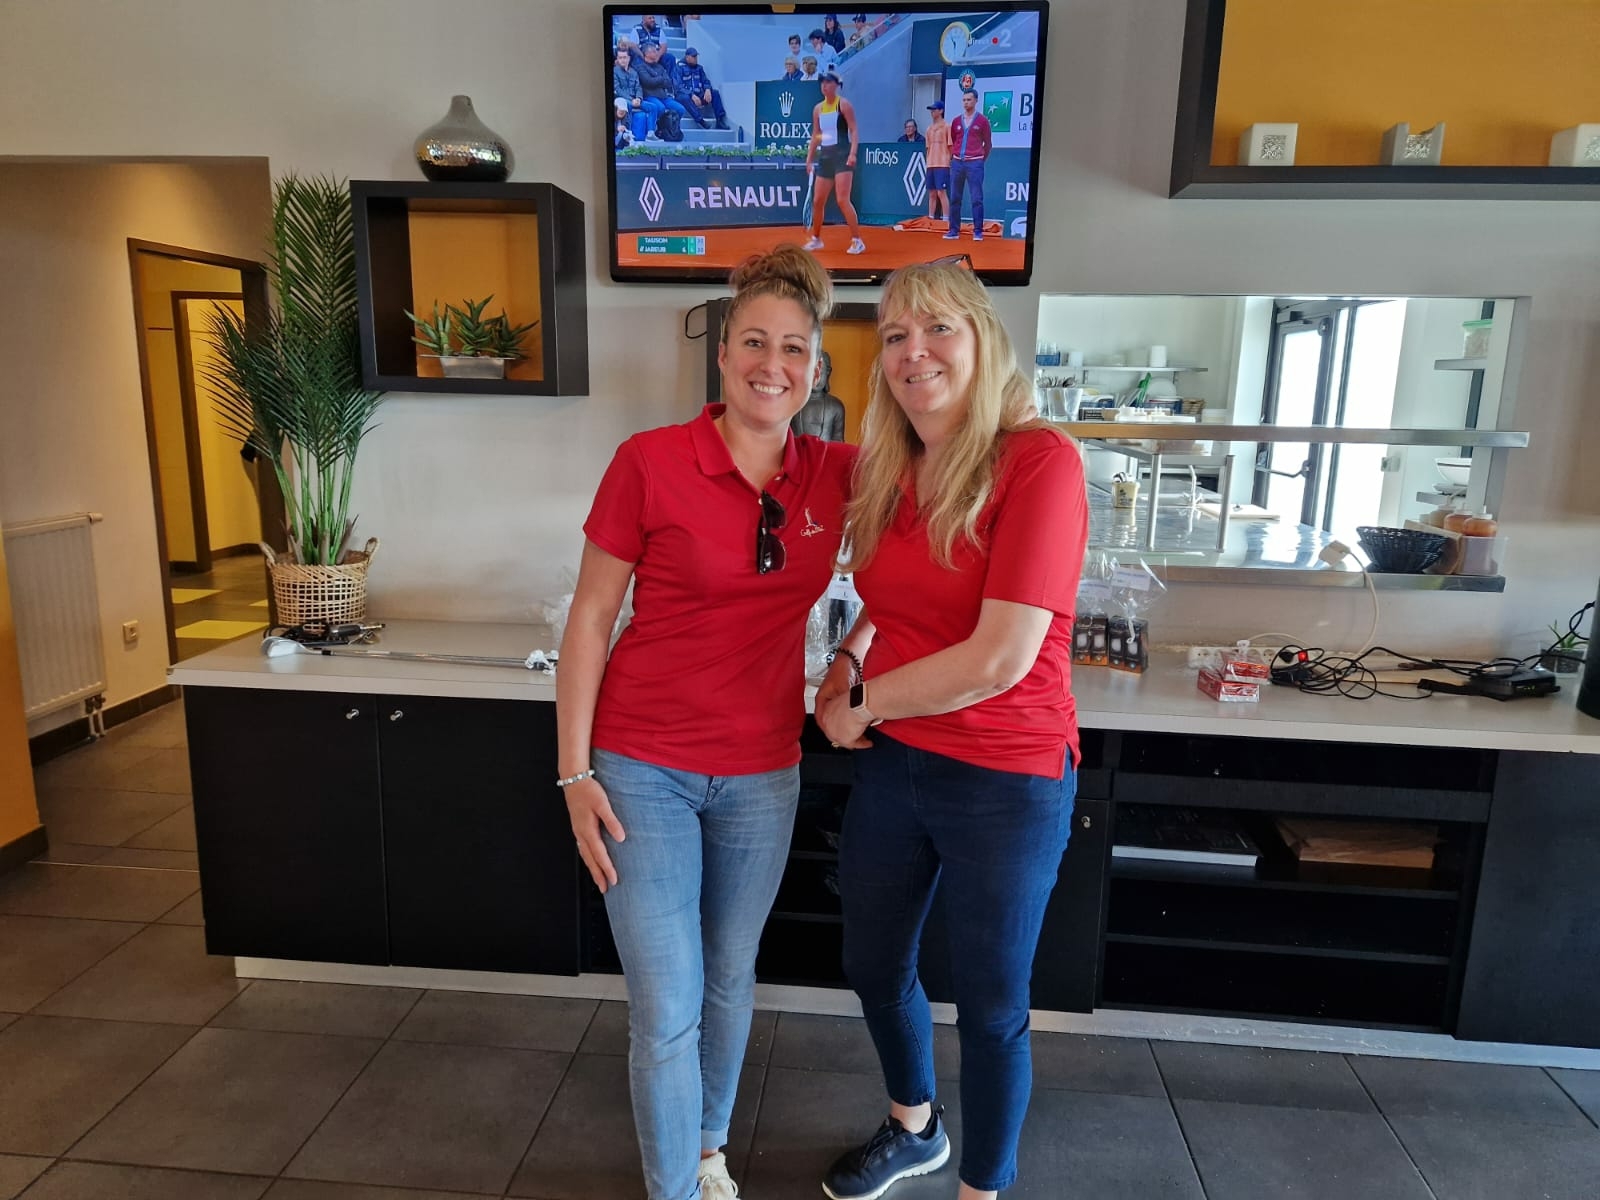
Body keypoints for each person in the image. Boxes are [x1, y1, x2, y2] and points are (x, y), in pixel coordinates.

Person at [558, 245, 855, 1200]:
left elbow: (921, 557)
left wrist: (853, 658)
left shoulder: (837, 473)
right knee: (667, 1003)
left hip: (763, 772)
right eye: (755, 342)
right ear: (723, 353)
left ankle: (706, 1150)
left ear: (816, 368)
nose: (773, 364)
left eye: (794, 348)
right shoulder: (650, 461)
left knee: (729, 977)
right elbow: (591, 619)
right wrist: (574, 774)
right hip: (640, 764)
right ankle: (675, 1191)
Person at [813, 261, 1089, 1200]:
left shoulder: (1040, 462)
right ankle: (915, 1126)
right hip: (901, 763)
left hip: (1007, 775)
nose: (913, 351)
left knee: (991, 1004)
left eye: (938, 329)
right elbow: (893, 595)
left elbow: (998, 658)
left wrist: (863, 703)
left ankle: (983, 1188)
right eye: (895, 335)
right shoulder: (895, 465)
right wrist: (847, 660)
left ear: (983, 341)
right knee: (873, 963)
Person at [804, 71, 866, 256]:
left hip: (842, 156)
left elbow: (854, 130)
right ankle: (816, 239)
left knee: (842, 199)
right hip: (825, 157)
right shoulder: (817, 109)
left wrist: (853, 153)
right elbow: (816, 135)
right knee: (817, 201)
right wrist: (809, 158)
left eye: (828, 83)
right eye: (822, 83)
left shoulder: (844, 105)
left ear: (836, 85)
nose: (824, 86)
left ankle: (857, 240)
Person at [944, 90, 992, 241]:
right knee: (954, 198)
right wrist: (955, 157)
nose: (966, 102)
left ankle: (978, 231)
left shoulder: (983, 121)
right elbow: (954, 140)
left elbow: (988, 144)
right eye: (964, 100)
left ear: (976, 101)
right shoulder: (956, 121)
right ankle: (953, 230)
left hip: (975, 163)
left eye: (969, 99)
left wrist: (979, 160)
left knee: (976, 198)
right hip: (957, 162)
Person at [791, 349, 846, 443]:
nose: (816, 377)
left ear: (828, 373)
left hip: (828, 452)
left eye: (821, 372)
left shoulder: (835, 406)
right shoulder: (793, 403)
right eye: (811, 372)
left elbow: (838, 441)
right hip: (796, 452)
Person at [635, 42, 690, 132]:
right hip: (650, 96)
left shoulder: (660, 67)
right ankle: (657, 129)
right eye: (654, 51)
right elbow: (648, 82)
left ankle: (672, 130)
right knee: (660, 108)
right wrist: (660, 78)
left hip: (664, 97)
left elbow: (668, 82)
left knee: (680, 109)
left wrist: (656, 78)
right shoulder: (641, 67)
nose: (657, 53)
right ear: (647, 54)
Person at [673, 47, 730, 130]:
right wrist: (691, 95)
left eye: (696, 57)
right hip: (686, 96)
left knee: (715, 93)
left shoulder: (699, 68)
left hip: (699, 94)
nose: (696, 59)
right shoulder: (678, 68)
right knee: (684, 97)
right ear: (687, 57)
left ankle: (720, 120)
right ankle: (700, 121)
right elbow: (678, 86)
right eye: (693, 57)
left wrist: (707, 89)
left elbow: (705, 81)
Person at [614, 45, 656, 144]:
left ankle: (650, 134)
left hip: (635, 99)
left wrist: (639, 98)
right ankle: (628, 134)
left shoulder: (634, 72)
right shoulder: (614, 71)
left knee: (653, 107)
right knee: (627, 105)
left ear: (629, 58)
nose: (622, 60)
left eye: (624, 57)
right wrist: (631, 99)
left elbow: (638, 87)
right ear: (617, 59)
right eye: (620, 58)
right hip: (622, 99)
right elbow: (617, 89)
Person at [923, 100, 951, 222]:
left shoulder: (947, 127)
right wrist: (928, 162)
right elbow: (928, 148)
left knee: (941, 192)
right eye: (931, 110)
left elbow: (950, 146)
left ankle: (946, 219)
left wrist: (948, 160)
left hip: (942, 164)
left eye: (934, 110)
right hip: (931, 164)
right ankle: (931, 218)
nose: (932, 112)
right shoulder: (929, 129)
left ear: (941, 111)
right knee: (932, 193)